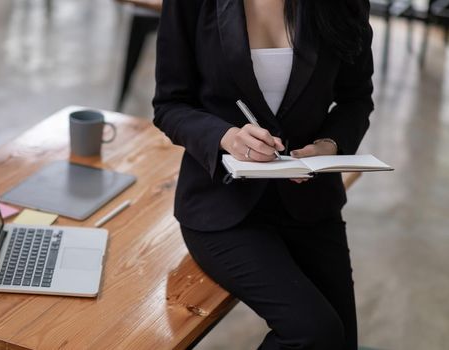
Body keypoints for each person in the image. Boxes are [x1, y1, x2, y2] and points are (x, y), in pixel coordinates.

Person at [152, 0, 373, 349]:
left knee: (341, 341)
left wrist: (329, 145)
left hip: (310, 203)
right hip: (221, 206)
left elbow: (356, 99)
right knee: (313, 333)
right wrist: (227, 137)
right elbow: (170, 105)